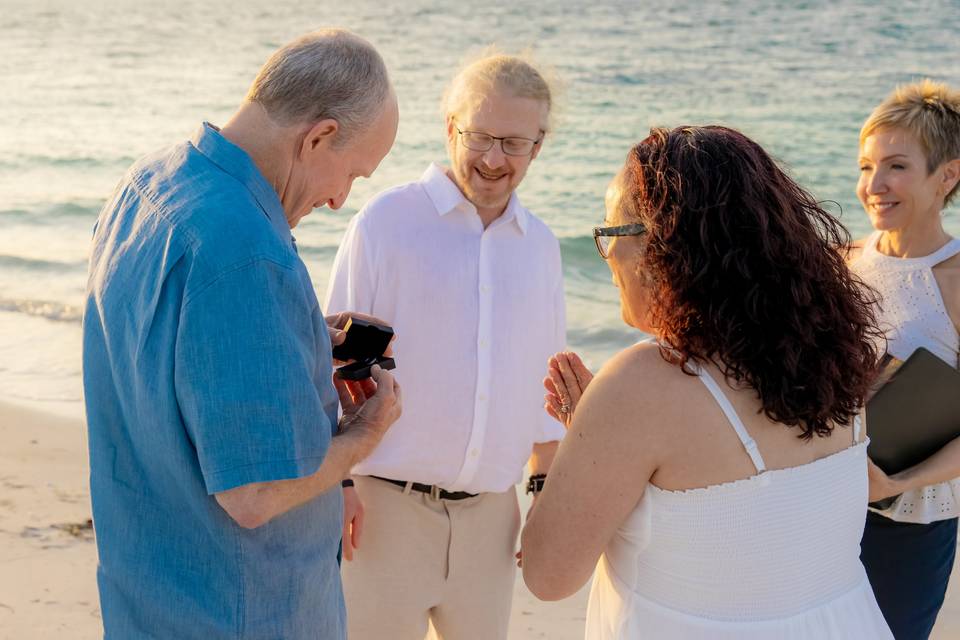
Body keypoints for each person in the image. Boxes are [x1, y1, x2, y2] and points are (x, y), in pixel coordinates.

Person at [82, 30, 402, 639]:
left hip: (146, 600)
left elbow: (170, 347)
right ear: (319, 137)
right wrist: (364, 435)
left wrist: (304, 334)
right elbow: (255, 491)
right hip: (241, 612)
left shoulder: (146, 185)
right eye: (354, 175)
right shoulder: (248, 256)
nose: (339, 201)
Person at [521, 126, 894, 639]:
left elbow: (548, 576)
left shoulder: (643, 384)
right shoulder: (834, 357)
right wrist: (601, 439)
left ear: (661, 247)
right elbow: (766, 540)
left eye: (610, 236)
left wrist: (569, 457)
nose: (607, 259)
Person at [324, 52, 566, 640]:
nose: (492, 159)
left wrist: (542, 498)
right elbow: (332, 360)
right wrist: (340, 484)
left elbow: (545, 389)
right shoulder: (386, 222)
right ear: (449, 127)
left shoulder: (541, 247)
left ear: (539, 144)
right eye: (479, 136)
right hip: (382, 514)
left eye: (513, 142)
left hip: (492, 522)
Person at [849, 79, 960, 639]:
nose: (875, 185)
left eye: (895, 166)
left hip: (910, 522)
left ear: (948, 175)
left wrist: (896, 482)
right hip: (821, 503)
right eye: (867, 167)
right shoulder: (842, 261)